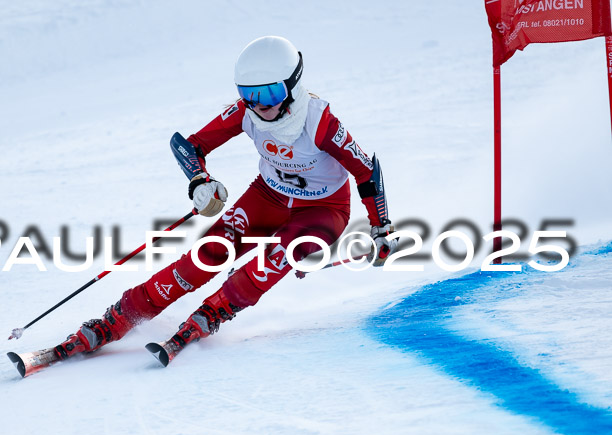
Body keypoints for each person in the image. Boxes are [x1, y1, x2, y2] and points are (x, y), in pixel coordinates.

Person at [53, 36, 398, 365]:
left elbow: (367, 171)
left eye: (272, 92)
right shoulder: (245, 112)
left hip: (322, 209)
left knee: (276, 255)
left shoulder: (319, 121)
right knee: (205, 257)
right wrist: (199, 181)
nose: (261, 104)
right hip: (268, 195)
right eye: (250, 94)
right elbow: (189, 146)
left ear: (292, 87)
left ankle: (215, 310)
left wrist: (380, 227)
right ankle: (119, 317)